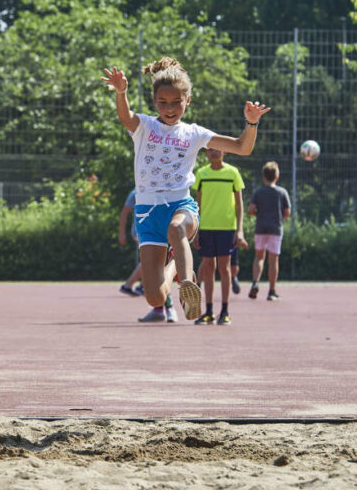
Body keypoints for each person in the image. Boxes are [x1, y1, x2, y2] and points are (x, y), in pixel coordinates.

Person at [101, 57, 269, 322]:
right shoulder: (145, 126)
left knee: (176, 228)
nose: (170, 109)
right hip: (147, 212)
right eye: (163, 103)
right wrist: (121, 92)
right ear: (155, 101)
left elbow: (242, 147)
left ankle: (188, 283)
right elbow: (125, 116)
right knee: (155, 296)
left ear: (187, 100)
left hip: (181, 206)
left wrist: (251, 123)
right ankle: (174, 270)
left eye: (176, 102)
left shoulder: (194, 133)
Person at [191, 148, 247, 325]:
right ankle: (208, 311)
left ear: (225, 151)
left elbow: (240, 205)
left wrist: (239, 230)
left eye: (218, 149)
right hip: (206, 227)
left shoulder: (233, 173)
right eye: (211, 149)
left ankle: (225, 311)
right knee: (208, 268)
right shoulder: (201, 173)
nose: (215, 152)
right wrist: (195, 230)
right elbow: (196, 204)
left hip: (226, 228)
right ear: (207, 153)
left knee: (225, 268)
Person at [248, 161, 291, 301]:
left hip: (260, 228)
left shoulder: (258, 192)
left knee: (259, 257)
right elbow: (287, 212)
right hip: (275, 228)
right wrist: (279, 218)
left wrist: (259, 215)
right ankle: (272, 291)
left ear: (263, 177)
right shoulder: (282, 192)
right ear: (277, 177)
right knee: (273, 260)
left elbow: (251, 209)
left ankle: (255, 283)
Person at [117, 188, 144, 297]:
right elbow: (124, 213)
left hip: (150, 230)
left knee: (151, 259)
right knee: (149, 259)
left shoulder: (155, 189)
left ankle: (143, 286)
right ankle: (128, 285)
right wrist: (121, 233)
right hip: (140, 232)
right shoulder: (135, 193)